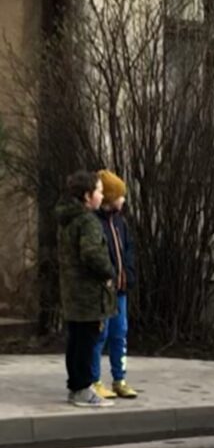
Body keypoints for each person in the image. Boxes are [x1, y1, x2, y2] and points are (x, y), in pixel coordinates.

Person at [56, 170, 116, 408]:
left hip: (72, 290)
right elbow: (92, 254)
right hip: (89, 293)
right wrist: (109, 272)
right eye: (99, 191)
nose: (102, 196)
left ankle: (76, 386)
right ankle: (82, 388)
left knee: (76, 340)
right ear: (87, 195)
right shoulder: (88, 221)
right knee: (86, 341)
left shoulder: (67, 218)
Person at [90, 169, 138, 399]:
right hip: (103, 291)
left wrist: (128, 273)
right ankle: (95, 379)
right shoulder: (95, 222)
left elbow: (128, 249)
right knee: (101, 334)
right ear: (109, 198)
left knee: (120, 333)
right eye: (119, 196)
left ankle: (120, 378)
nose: (123, 200)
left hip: (120, 289)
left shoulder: (120, 222)